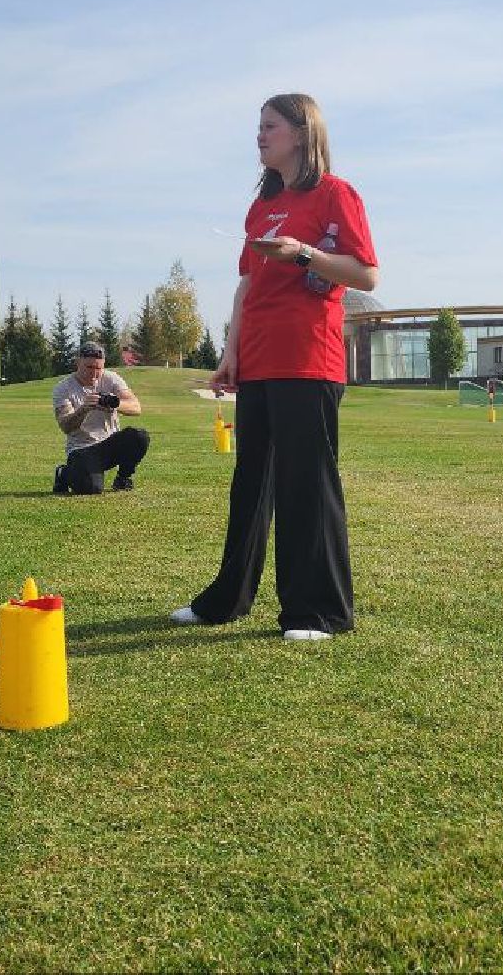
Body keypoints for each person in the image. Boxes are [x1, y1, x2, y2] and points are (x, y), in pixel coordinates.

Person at [171, 93, 379, 642]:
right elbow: (246, 286)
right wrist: (230, 354)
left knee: (304, 485)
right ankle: (226, 600)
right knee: (251, 484)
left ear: (302, 133)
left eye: (270, 126)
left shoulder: (336, 194)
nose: (259, 136)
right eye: (258, 127)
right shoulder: (260, 207)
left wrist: (305, 254)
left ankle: (317, 613)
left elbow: (366, 275)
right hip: (258, 361)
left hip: (309, 361)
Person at [51, 343, 148, 494]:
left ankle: (123, 478)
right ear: (78, 363)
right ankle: (64, 473)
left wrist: (115, 404)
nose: (94, 373)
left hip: (109, 444)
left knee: (139, 436)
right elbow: (65, 426)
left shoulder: (111, 379)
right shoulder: (63, 388)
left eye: (99, 368)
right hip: (81, 449)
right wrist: (84, 409)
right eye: (89, 367)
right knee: (91, 489)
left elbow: (136, 408)